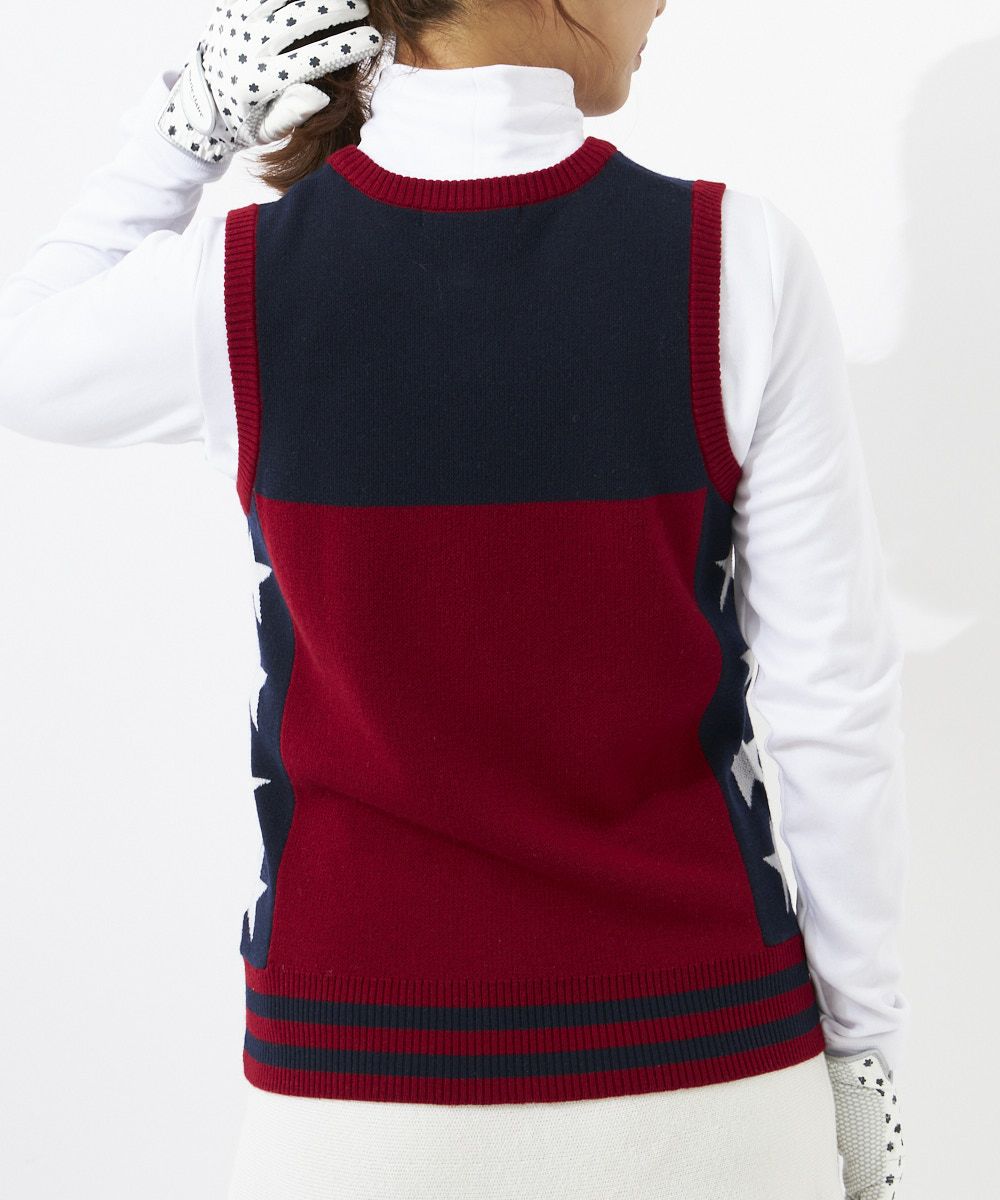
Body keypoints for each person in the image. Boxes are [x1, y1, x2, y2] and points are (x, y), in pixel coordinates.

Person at [0, 1, 910, 1197]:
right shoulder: (733, 257)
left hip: (352, 1098)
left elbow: (24, 354)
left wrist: (186, 128)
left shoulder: (244, 280)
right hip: (711, 1076)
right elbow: (829, 706)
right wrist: (863, 1058)